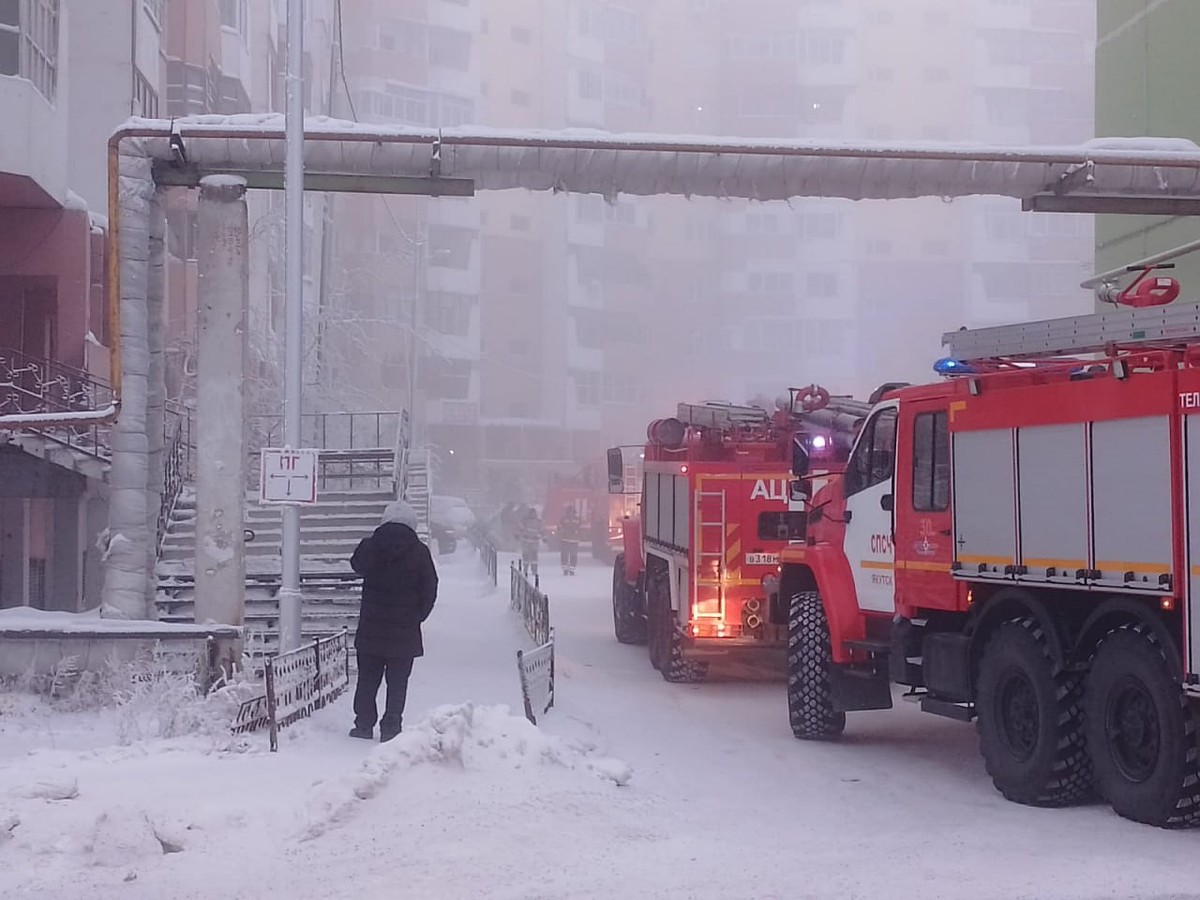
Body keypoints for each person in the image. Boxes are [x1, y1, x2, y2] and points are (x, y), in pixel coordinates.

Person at [348, 500, 437, 743]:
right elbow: (430, 589)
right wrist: (416, 616)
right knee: (397, 684)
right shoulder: (420, 552)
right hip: (404, 632)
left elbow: (356, 566)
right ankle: (391, 727)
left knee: (367, 680)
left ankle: (363, 724)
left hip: (371, 628)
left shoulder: (370, 546)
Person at [517, 507, 543, 578]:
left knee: (534, 557)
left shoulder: (538, 522)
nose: (533, 515)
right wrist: (518, 534)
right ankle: (525, 569)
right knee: (525, 556)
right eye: (532, 513)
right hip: (526, 542)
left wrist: (544, 537)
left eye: (534, 513)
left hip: (534, 542)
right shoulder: (524, 521)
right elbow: (520, 529)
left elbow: (542, 531)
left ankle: (534, 570)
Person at [557, 505, 582, 576]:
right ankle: (565, 570)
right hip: (565, 539)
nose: (571, 513)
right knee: (564, 555)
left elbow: (581, 528)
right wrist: (563, 531)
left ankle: (572, 570)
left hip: (573, 540)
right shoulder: (564, 519)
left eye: (572, 511)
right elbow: (559, 527)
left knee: (573, 555)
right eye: (569, 511)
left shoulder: (578, 519)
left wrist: (577, 531)